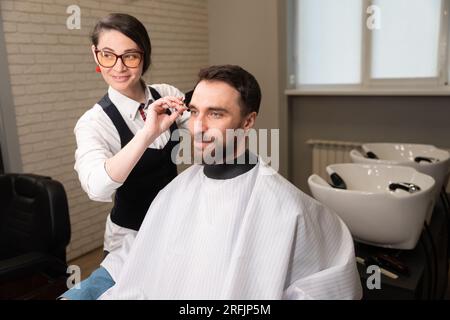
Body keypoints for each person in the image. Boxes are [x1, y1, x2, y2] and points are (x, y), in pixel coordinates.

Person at [63, 65, 362, 300]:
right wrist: (86, 290)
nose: (198, 128)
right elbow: (142, 250)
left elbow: (332, 277)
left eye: (216, 114)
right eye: (194, 113)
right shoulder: (177, 191)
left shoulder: (286, 207)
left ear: (247, 122)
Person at [74, 13, 189, 256]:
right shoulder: (94, 122)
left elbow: (204, 135)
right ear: (95, 54)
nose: (118, 67)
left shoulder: (166, 93)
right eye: (107, 55)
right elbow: (96, 188)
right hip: (129, 241)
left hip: (174, 226)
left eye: (130, 56)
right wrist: (146, 135)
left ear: (143, 56)